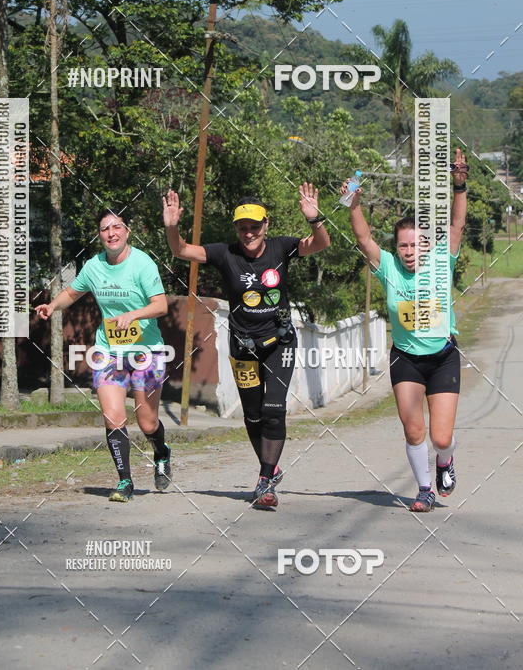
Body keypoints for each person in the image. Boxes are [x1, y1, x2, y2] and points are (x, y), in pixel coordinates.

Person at [163, 184, 330, 509]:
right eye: (243, 227)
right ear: (236, 228)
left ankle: (265, 480)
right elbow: (181, 250)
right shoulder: (226, 253)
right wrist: (172, 227)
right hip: (242, 346)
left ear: (266, 224)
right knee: (252, 415)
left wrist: (314, 219)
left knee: (272, 409)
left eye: (255, 226)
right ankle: (271, 469)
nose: (249, 232)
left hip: (279, 342)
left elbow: (322, 243)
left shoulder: (281, 248)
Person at [343, 148, 469, 512]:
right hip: (406, 359)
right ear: (395, 249)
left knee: (441, 437)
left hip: (442, 357)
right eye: (403, 246)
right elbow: (365, 240)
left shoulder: (442, 261)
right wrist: (353, 204)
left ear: (427, 245)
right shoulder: (389, 269)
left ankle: (445, 461)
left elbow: (457, 225)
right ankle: (424, 489)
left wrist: (459, 185)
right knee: (414, 430)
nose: (409, 252)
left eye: (416, 244)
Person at [35, 208, 170, 503]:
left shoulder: (142, 263)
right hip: (109, 350)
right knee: (112, 416)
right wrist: (52, 306)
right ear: (100, 236)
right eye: (105, 229)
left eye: (117, 227)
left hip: (146, 352)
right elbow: (73, 292)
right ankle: (125, 482)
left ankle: (162, 452)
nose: (111, 233)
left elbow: (161, 306)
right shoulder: (94, 266)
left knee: (147, 422)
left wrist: (133, 316)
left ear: (127, 231)